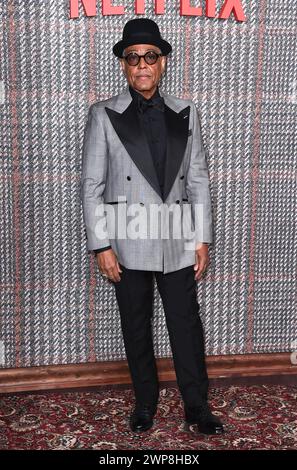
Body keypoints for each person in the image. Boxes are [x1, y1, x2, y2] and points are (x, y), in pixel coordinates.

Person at [80, 17, 224, 435]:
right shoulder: (103, 114)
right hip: (127, 238)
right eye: (133, 58)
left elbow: (197, 178)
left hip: (178, 237)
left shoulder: (186, 111)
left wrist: (202, 237)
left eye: (150, 56)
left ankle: (197, 406)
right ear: (124, 66)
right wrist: (101, 245)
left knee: (186, 324)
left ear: (162, 63)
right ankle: (145, 403)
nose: (142, 64)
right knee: (136, 323)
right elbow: (92, 185)